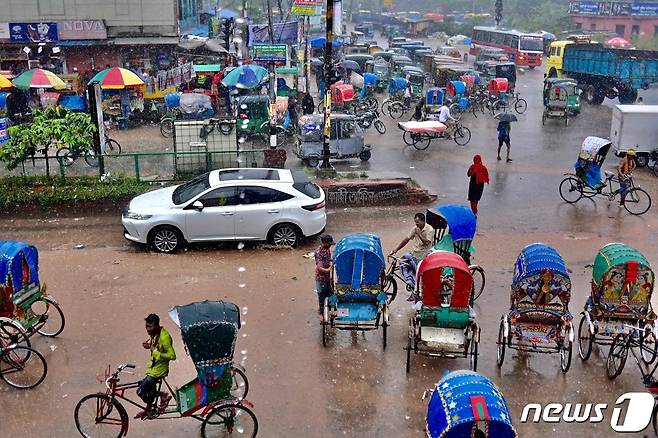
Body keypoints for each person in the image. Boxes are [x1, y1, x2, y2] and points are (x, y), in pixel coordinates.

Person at [135, 314, 176, 419]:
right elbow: (155, 348)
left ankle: (163, 395)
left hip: (159, 371)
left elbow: (172, 356)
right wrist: (148, 346)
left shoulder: (165, 337)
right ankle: (149, 408)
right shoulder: (154, 334)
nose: (147, 330)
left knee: (140, 391)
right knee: (144, 387)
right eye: (146, 327)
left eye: (150, 327)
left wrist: (156, 352)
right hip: (153, 369)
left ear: (157, 325)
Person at [389, 213, 435, 296]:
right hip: (414, 253)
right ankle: (410, 281)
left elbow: (426, 243)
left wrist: (419, 233)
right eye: (415, 222)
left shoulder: (430, 230)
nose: (416, 224)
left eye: (418, 222)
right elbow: (406, 239)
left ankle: (417, 290)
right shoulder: (415, 228)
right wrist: (395, 250)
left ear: (423, 221)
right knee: (403, 261)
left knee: (418, 275)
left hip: (423, 256)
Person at [315, 234, 335, 320]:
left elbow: (329, 259)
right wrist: (328, 270)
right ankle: (321, 313)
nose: (330, 245)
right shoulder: (319, 253)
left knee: (330, 293)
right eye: (328, 243)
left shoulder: (327, 250)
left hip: (327, 277)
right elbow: (319, 268)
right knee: (321, 295)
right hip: (321, 278)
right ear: (323, 242)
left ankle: (331, 309)